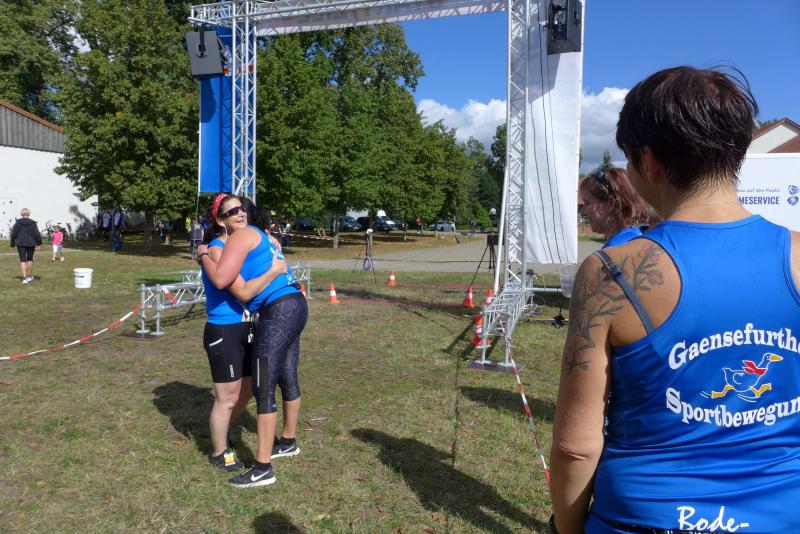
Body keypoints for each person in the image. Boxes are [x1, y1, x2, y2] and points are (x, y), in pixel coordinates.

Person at [550, 66, 800, 533]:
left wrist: (565, 527)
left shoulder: (611, 272)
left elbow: (575, 447)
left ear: (649, 162)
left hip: (644, 517)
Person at [198, 198, 307, 489]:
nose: (240, 213)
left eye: (242, 208)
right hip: (247, 319)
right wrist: (204, 254)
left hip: (272, 312)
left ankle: (263, 466)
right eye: (232, 211)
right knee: (257, 386)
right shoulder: (223, 246)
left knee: (261, 385)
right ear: (220, 220)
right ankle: (235, 450)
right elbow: (227, 283)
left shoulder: (247, 237)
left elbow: (242, 288)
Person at [578, 167, 651, 248]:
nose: (582, 211)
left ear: (610, 204)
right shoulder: (641, 238)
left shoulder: (615, 249)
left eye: (587, 203)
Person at [10, 208, 42, 283]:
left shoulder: (18, 223)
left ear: (21, 214)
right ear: (28, 214)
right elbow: (37, 234)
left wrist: (12, 244)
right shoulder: (33, 223)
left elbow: (14, 234)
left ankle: (24, 278)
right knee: (30, 259)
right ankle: (29, 277)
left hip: (21, 243)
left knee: (22, 260)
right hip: (31, 243)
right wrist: (39, 243)